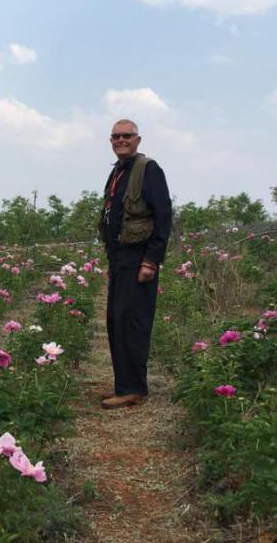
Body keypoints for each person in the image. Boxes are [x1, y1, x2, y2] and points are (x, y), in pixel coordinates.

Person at [99, 119, 171, 409]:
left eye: (126, 136)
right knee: (117, 321)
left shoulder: (148, 169)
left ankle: (133, 389)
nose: (120, 140)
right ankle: (125, 385)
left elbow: (163, 216)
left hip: (139, 259)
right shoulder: (118, 171)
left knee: (133, 323)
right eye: (115, 136)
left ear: (138, 139)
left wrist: (151, 261)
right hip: (120, 260)